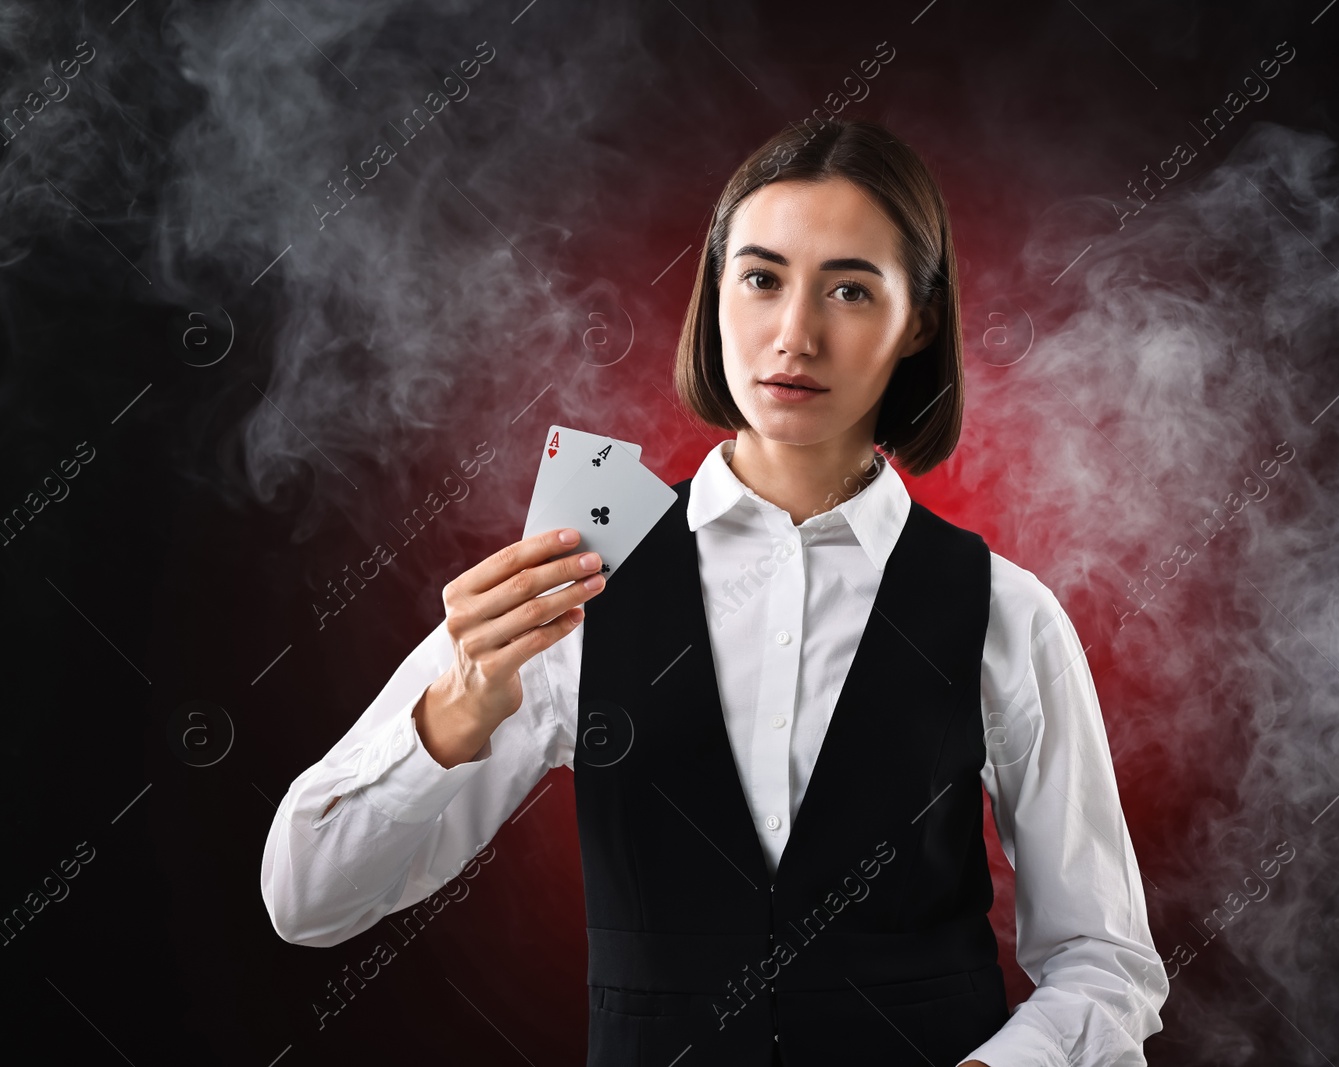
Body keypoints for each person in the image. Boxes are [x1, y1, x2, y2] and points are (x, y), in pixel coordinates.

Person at [262, 117, 1167, 1065]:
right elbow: (306, 901)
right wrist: (448, 721)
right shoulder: (576, 582)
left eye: (850, 289)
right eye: (762, 277)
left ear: (920, 320)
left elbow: (1107, 959)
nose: (795, 334)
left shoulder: (1007, 612)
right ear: (715, 291)